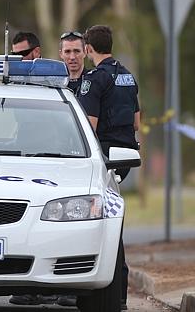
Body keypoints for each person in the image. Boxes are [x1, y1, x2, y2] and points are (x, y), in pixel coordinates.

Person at [78, 25, 140, 311]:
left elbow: (88, 126)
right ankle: (120, 294)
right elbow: (137, 122)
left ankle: (110, 290)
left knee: (102, 221)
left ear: (89, 48)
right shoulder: (127, 74)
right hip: (124, 155)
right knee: (112, 219)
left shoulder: (95, 78)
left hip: (103, 155)